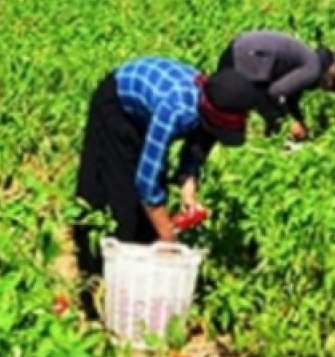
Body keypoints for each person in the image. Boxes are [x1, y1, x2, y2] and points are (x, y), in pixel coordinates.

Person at [73, 57, 259, 277]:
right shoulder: (175, 110)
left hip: (147, 109)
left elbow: (199, 146)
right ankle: (94, 273)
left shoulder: (215, 102)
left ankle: (142, 270)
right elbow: (147, 182)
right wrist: (168, 237)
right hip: (118, 104)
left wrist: (188, 188)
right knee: (118, 197)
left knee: (147, 220)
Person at [217, 31, 335, 141]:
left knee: (270, 114)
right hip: (242, 59)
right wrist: (289, 123)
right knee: (272, 115)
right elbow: (275, 92)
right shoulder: (313, 68)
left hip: (240, 53)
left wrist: (299, 120)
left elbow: (291, 97)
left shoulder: (311, 61)